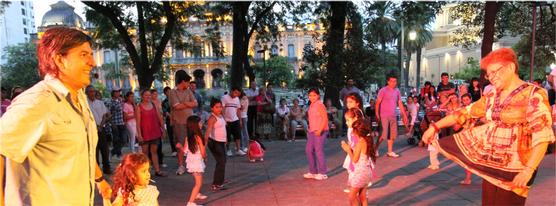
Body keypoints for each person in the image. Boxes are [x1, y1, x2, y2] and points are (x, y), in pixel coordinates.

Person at [422, 48, 555, 205]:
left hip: (517, 167)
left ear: (511, 67)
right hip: (491, 163)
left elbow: (542, 135)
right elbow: (465, 112)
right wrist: (435, 127)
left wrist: (529, 170)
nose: (491, 78)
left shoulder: (534, 94)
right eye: (488, 74)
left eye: (494, 72)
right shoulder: (492, 95)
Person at [0, 27, 110, 205]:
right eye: (83, 55)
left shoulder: (79, 98)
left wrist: (99, 179)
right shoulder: (37, 101)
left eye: (91, 54)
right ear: (59, 59)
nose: (93, 62)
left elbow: (82, 149)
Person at [341, 119, 376, 206]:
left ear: (358, 132)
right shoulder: (367, 140)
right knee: (362, 196)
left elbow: (355, 160)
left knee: (352, 196)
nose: (352, 133)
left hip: (360, 173)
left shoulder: (361, 143)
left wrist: (348, 150)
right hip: (367, 173)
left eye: (353, 131)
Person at [169, 70, 198, 175]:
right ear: (182, 81)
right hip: (179, 122)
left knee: (192, 143)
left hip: (191, 122)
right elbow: (176, 106)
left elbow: (195, 103)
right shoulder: (173, 92)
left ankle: (191, 165)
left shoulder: (188, 91)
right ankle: (181, 165)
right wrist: (188, 104)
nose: (188, 84)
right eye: (187, 82)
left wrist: (184, 103)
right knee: (180, 144)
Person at [375, 75, 408, 158]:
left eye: (395, 81)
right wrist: (377, 114)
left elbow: (400, 103)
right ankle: (375, 149)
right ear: (388, 82)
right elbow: (377, 103)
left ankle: (390, 151)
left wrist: (404, 115)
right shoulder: (383, 90)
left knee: (392, 135)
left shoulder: (397, 91)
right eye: (392, 81)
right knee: (383, 134)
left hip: (393, 115)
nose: (394, 83)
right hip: (384, 116)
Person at [136, 90, 166, 177]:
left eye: (149, 95)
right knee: (145, 153)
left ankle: (157, 170)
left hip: (155, 131)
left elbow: (159, 117)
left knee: (154, 152)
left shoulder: (153, 105)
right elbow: (138, 123)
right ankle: (146, 172)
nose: (148, 97)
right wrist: (140, 135)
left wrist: (163, 129)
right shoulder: (139, 107)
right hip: (145, 132)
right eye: (146, 95)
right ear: (142, 96)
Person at [303, 88, 329, 180]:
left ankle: (323, 173)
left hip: (320, 131)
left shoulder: (320, 104)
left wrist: (320, 130)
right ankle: (313, 171)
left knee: (318, 151)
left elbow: (325, 118)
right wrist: (309, 128)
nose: (312, 97)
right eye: (310, 95)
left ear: (318, 95)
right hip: (312, 131)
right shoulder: (312, 105)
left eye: (314, 95)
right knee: (308, 150)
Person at [88, 86, 113, 174]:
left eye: (93, 91)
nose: (92, 93)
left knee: (104, 149)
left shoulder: (100, 103)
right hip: (91, 129)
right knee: (94, 150)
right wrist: (95, 126)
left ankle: (106, 167)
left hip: (101, 128)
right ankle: (96, 169)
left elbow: (105, 115)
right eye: (90, 91)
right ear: (87, 93)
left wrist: (101, 126)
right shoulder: (85, 103)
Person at [183, 115, 208, 206]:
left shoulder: (188, 137)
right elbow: (203, 152)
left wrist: (179, 146)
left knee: (198, 181)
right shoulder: (198, 137)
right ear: (195, 125)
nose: (201, 124)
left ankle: (197, 194)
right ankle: (190, 202)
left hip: (191, 162)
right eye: (200, 122)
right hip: (197, 162)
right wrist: (205, 157)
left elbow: (185, 151)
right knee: (198, 183)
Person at [205, 98, 228, 191]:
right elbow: (207, 133)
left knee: (223, 161)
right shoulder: (212, 118)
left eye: (220, 107)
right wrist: (203, 147)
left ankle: (220, 179)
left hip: (221, 141)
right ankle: (216, 183)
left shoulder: (221, 116)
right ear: (212, 108)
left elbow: (223, 128)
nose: (219, 109)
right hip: (214, 142)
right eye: (217, 107)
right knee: (221, 161)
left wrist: (225, 139)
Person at [341, 108, 365, 193]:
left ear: (355, 119)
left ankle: (356, 188)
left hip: (357, 155)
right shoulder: (351, 130)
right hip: (353, 153)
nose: (346, 123)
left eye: (348, 120)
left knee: (354, 170)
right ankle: (354, 186)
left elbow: (356, 157)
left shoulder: (357, 132)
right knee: (351, 170)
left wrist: (348, 149)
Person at [221, 87, 245, 156]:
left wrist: (240, 120)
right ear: (231, 91)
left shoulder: (237, 99)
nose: (236, 95)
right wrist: (223, 119)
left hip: (235, 119)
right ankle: (228, 150)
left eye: (237, 94)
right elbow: (222, 109)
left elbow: (238, 110)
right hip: (227, 120)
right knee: (228, 136)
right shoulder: (224, 98)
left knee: (238, 135)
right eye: (235, 93)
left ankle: (238, 149)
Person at [108, 87, 127, 160]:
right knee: (116, 139)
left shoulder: (121, 101)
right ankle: (118, 153)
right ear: (113, 93)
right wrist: (111, 122)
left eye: (119, 92)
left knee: (124, 139)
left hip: (121, 122)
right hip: (115, 123)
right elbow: (109, 113)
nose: (118, 93)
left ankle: (113, 152)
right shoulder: (110, 102)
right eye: (117, 92)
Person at [150, 89, 166, 168]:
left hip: (159, 122)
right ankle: (152, 161)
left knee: (159, 143)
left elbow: (161, 112)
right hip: (152, 124)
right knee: (153, 144)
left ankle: (160, 161)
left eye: (156, 94)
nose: (155, 96)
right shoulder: (150, 103)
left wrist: (162, 123)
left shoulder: (159, 101)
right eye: (154, 94)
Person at [162, 86, 176, 156]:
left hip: (177, 119)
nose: (169, 93)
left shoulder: (175, 100)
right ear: (165, 93)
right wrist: (171, 116)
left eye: (170, 91)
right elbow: (165, 112)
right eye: (167, 92)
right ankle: (173, 150)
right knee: (171, 135)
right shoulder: (164, 102)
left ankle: (180, 149)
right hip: (169, 120)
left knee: (178, 134)